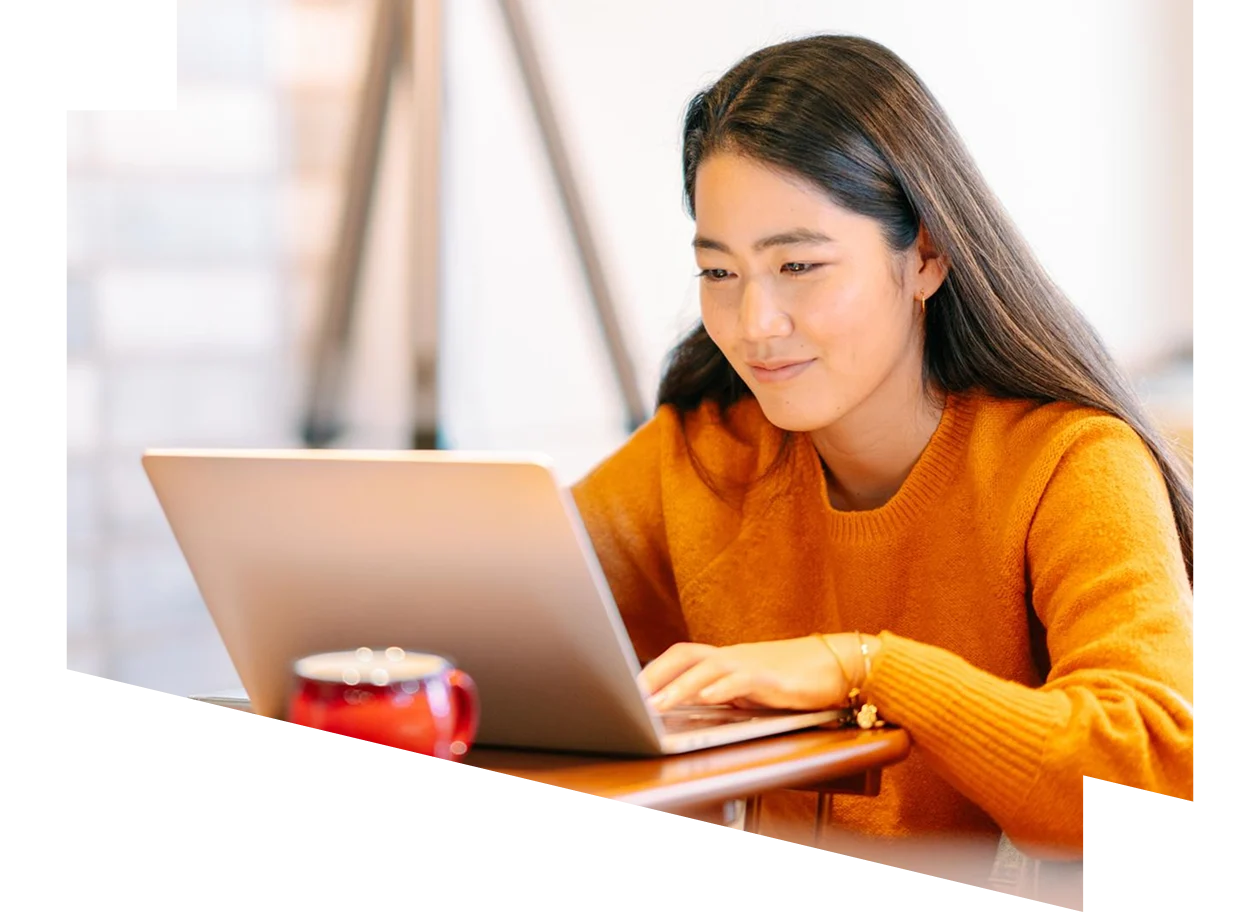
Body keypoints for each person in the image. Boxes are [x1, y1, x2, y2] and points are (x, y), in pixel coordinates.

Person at [568, 34, 1196, 869]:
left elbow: (1153, 771)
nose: (754, 324)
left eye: (799, 265)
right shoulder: (705, 452)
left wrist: (866, 668)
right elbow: (507, 614)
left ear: (926, 255)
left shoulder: (1072, 463)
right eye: (719, 274)